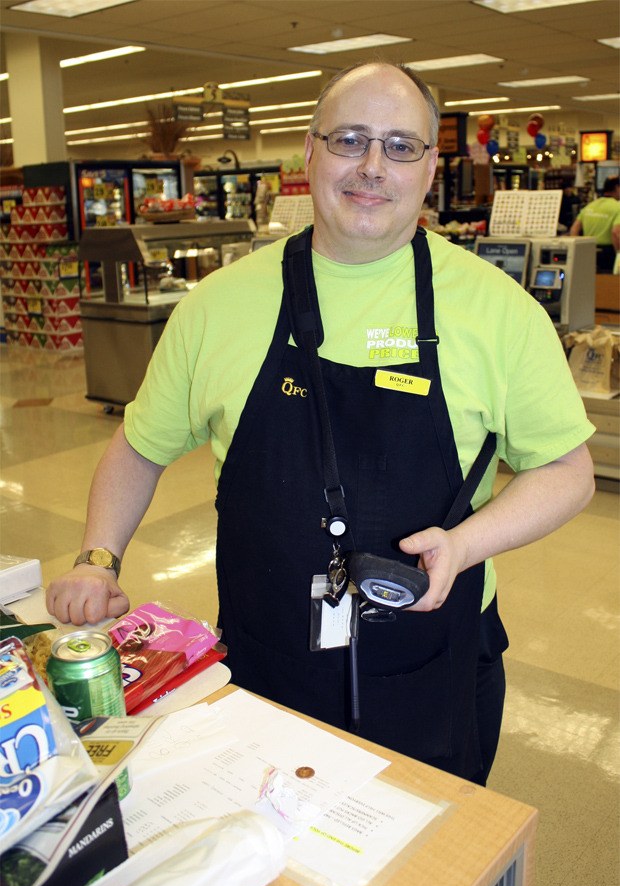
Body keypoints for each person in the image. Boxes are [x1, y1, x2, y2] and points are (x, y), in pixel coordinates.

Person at [47, 62, 595, 785]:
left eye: (401, 146)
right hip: (262, 659)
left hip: (431, 662)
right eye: (350, 139)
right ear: (308, 152)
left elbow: (566, 472)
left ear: (431, 166)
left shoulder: (499, 312)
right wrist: (98, 558)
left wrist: (465, 545)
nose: (373, 167)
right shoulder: (218, 306)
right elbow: (138, 446)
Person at [569, 175, 620, 272]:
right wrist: (618, 255)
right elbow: (616, 232)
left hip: (588, 251)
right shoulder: (618, 207)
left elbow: (574, 230)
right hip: (608, 254)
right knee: (610, 285)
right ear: (617, 188)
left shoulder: (590, 206)